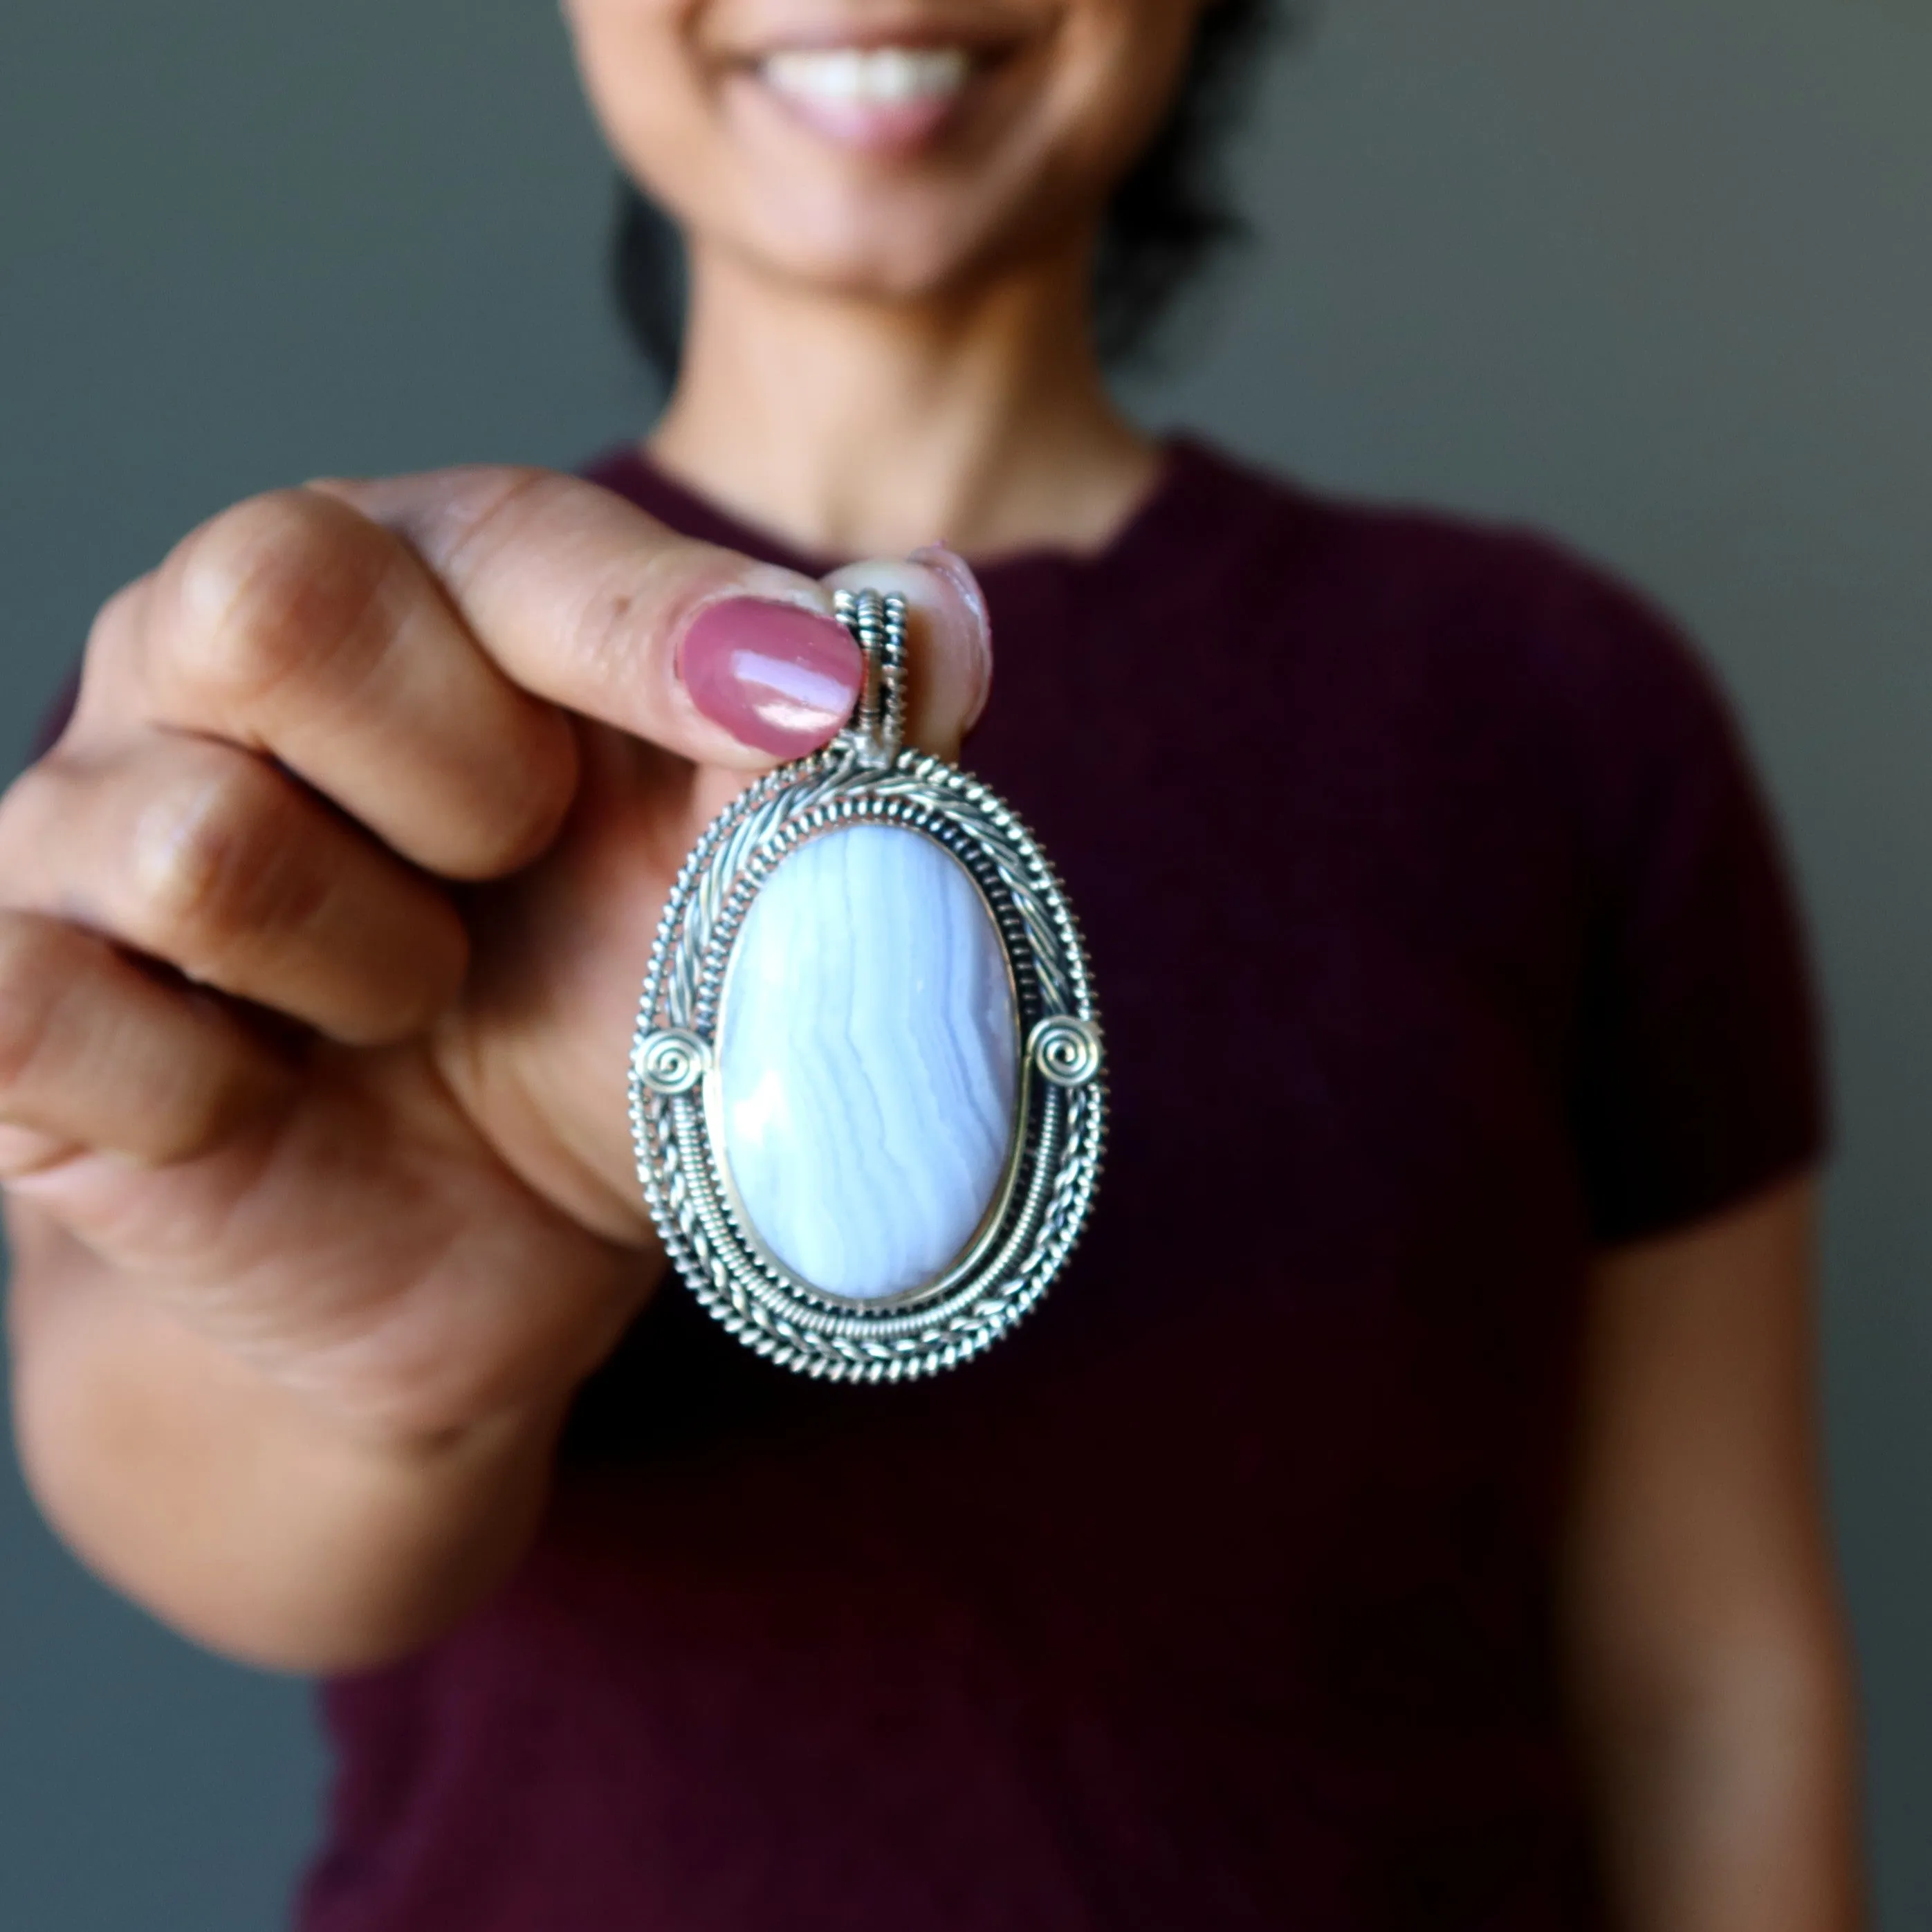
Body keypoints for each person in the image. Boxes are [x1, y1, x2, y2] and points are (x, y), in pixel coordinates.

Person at [0, 1, 1864, 1925]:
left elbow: (1706, 1684)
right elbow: (153, 1463)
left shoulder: (1559, 714)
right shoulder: (307, 742)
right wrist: (383, 1370)